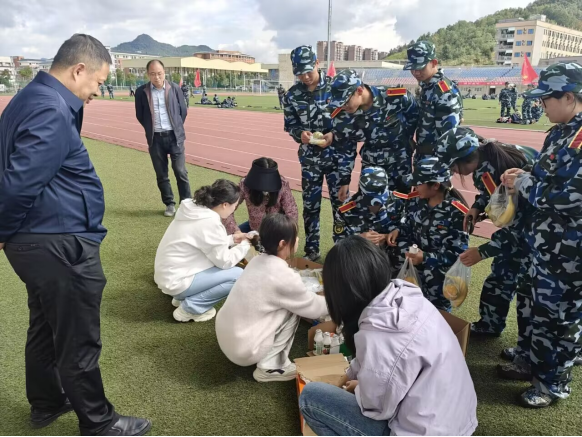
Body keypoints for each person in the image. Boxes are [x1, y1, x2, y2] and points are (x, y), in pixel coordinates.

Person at [0, 34, 151, 437]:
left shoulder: (32, 98)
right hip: (57, 241)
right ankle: (99, 423)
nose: (98, 91)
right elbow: (18, 183)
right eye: (98, 82)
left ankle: (47, 401)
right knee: (78, 338)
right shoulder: (50, 108)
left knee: (45, 327)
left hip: (41, 239)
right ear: (78, 69)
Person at [299, 236, 478, 437]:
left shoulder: (378, 334)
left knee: (311, 397)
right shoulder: (404, 296)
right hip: (458, 422)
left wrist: (360, 389)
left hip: (422, 430)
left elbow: (376, 408)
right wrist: (349, 377)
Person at [501, 62, 582, 408]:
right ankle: (532, 363)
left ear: (569, 97)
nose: (541, 104)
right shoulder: (559, 132)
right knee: (537, 309)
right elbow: (543, 174)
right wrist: (523, 173)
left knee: (561, 319)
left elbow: (571, 197)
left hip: (569, 253)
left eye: (546, 98)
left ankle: (553, 384)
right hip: (545, 245)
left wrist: (524, 183)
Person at [435, 127, 538, 336]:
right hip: (525, 229)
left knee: (530, 293)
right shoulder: (487, 157)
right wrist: (477, 206)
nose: (453, 172)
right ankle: (490, 325)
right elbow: (492, 193)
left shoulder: (497, 169)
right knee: (499, 280)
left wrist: (482, 252)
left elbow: (518, 229)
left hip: (539, 235)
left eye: (453, 167)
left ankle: (532, 348)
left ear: (464, 160)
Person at [216, 214, 328, 383]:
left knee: (290, 303)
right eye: (295, 236)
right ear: (283, 243)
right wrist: (339, 300)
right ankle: (271, 367)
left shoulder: (256, 261)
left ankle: (267, 358)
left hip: (227, 336)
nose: (298, 239)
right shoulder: (282, 275)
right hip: (242, 350)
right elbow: (314, 308)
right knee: (293, 309)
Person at [283, 45, 357, 261]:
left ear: (317, 63)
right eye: (300, 73)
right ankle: (312, 251)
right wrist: (300, 134)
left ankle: (342, 251)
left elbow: (350, 120)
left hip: (337, 159)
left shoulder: (336, 87)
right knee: (310, 207)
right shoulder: (293, 95)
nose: (305, 77)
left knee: (341, 206)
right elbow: (290, 125)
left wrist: (334, 134)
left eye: (308, 71)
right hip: (310, 161)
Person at [154, 179, 251, 323]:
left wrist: (232, 239)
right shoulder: (210, 222)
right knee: (238, 275)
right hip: (177, 280)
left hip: (169, 275)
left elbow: (204, 242)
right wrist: (246, 244)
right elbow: (225, 262)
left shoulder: (194, 210)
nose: (234, 209)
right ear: (225, 205)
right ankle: (190, 308)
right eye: (234, 206)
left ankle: (182, 297)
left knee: (216, 263)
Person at [387, 157, 470, 312]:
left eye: (419, 183)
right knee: (396, 250)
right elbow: (408, 226)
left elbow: (457, 255)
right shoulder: (415, 201)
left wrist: (425, 258)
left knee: (434, 280)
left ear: (435, 185)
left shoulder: (457, 213)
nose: (415, 186)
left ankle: (438, 313)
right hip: (413, 263)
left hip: (437, 272)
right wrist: (398, 230)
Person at [328, 69, 418, 192]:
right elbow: (345, 148)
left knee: (401, 201)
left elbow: (414, 116)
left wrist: (408, 138)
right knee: (368, 202)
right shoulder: (343, 115)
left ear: (359, 90)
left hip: (400, 165)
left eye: (345, 101)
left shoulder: (396, 96)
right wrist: (345, 181)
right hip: (371, 168)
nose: (342, 106)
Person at [135, 59, 191, 217]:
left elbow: (183, 111)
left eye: (159, 73)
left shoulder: (174, 88)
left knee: (180, 171)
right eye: (153, 74)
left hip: (174, 137)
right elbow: (140, 115)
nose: (157, 77)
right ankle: (169, 204)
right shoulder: (141, 92)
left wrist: (176, 128)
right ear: (148, 74)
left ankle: (186, 204)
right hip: (155, 139)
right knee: (161, 174)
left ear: (164, 72)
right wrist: (151, 128)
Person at [404, 41, 463, 160]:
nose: (416, 72)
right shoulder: (427, 87)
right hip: (423, 157)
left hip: (436, 160)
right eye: (412, 68)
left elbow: (448, 135)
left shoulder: (444, 91)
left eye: (420, 67)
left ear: (434, 63)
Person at [223, 157, 298, 234]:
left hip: (276, 229)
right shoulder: (245, 185)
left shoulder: (282, 184)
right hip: (254, 227)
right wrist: (236, 231)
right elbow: (227, 208)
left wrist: (288, 232)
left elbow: (292, 211)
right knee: (229, 238)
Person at [333, 167, 398, 244]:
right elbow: (338, 241)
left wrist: (389, 235)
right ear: (360, 189)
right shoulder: (345, 210)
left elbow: (405, 229)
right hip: (359, 250)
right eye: (371, 199)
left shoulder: (397, 201)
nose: (376, 204)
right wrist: (359, 239)